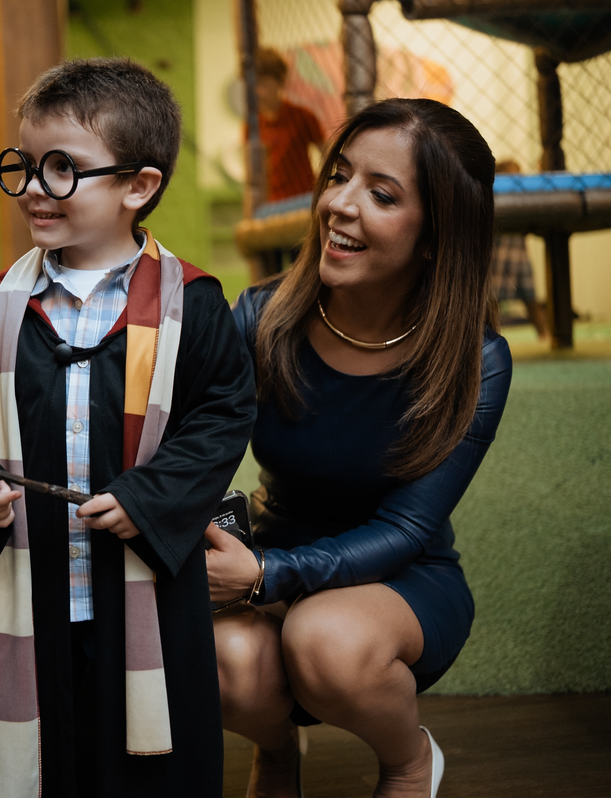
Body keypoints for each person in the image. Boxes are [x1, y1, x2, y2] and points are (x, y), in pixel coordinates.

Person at [0, 58, 256, 798]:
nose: (34, 190)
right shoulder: (1, 306)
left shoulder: (191, 304)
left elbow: (221, 415)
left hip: (142, 584)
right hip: (33, 586)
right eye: (23, 166)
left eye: (62, 169)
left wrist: (148, 497)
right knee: (42, 762)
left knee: (141, 773)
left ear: (138, 187)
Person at [209, 98, 512, 798]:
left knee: (325, 639)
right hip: (272, 550)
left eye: (380, 193)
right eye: (338, 176)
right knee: (226, 659)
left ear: (436, 235)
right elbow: (197, 453)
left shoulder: (476, 358)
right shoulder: (260, 316)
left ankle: (409, 761)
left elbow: (407, 527)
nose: (338, 205)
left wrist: (264, 576)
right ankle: (278, 752)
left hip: (401, 578)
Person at [247, 47, 325, 284]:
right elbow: (252, 174)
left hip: (301, 204)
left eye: (264, 84)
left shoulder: (302, 116)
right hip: (270, 208)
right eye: (254, 84)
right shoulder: (253, 125)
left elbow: (326, 153)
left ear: (279, 82)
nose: (258, 91)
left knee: (301, 272)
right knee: (269, 275)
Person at [490, 160, 548, 341]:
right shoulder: (494, 196)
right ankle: (488, 338)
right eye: (512, 177)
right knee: (491, 301)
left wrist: (541, 172)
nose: (517, 181)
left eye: (519, 176)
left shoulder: (525, 197)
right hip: (497, 256)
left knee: (531, 299)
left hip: (519, 257)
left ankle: (544, 334)